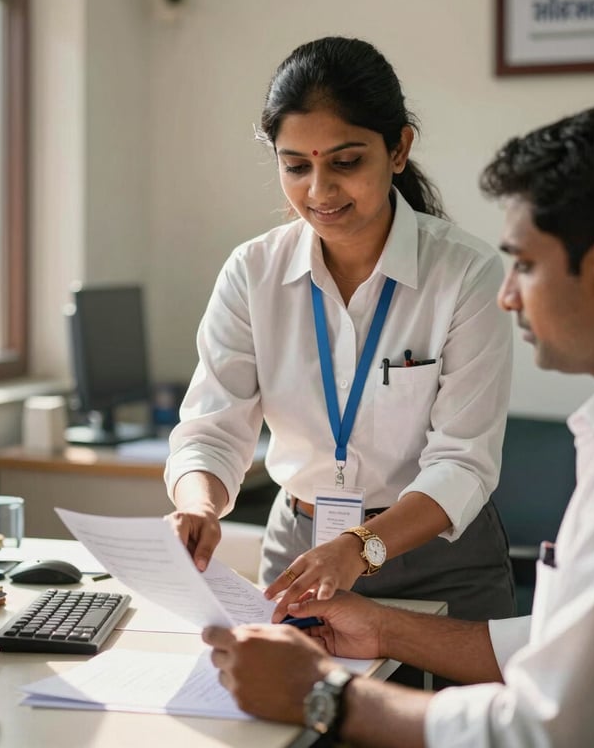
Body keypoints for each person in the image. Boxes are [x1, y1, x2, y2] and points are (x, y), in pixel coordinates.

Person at [203, 100, 594, 747]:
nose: (509, 295)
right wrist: (385, 628)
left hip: (435, 558)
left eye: (526, 266)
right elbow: (570, 636)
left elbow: (550, 728)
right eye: (295, 164)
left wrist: (325, 697)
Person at [164, 36, 515, 634]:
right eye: (296, 166)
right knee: (295, 725)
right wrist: (198, 504)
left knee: (447, 727)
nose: (319, 192)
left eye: (346, 162)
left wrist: (359, 547)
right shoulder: (253, 273)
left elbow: (463, 462)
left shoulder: (465, 273)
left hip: (438, 557)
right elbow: (211, 428)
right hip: (301, 553)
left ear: (399, 148)